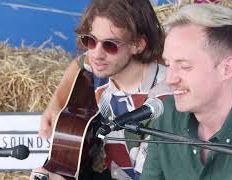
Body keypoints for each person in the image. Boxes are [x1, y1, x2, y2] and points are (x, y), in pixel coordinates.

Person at [30, 0, 170, 179]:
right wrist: (55, 103)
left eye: (110, 45)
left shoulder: (162, 101)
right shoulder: (103, 69)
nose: (96, 53)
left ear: (138, 45)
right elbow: (80, 62)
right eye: (90, 41)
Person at [141, 3, 232, 180]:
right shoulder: (167, 114)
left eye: (184, 66)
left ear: (226, 68)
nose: (170, 79)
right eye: (168, 65)